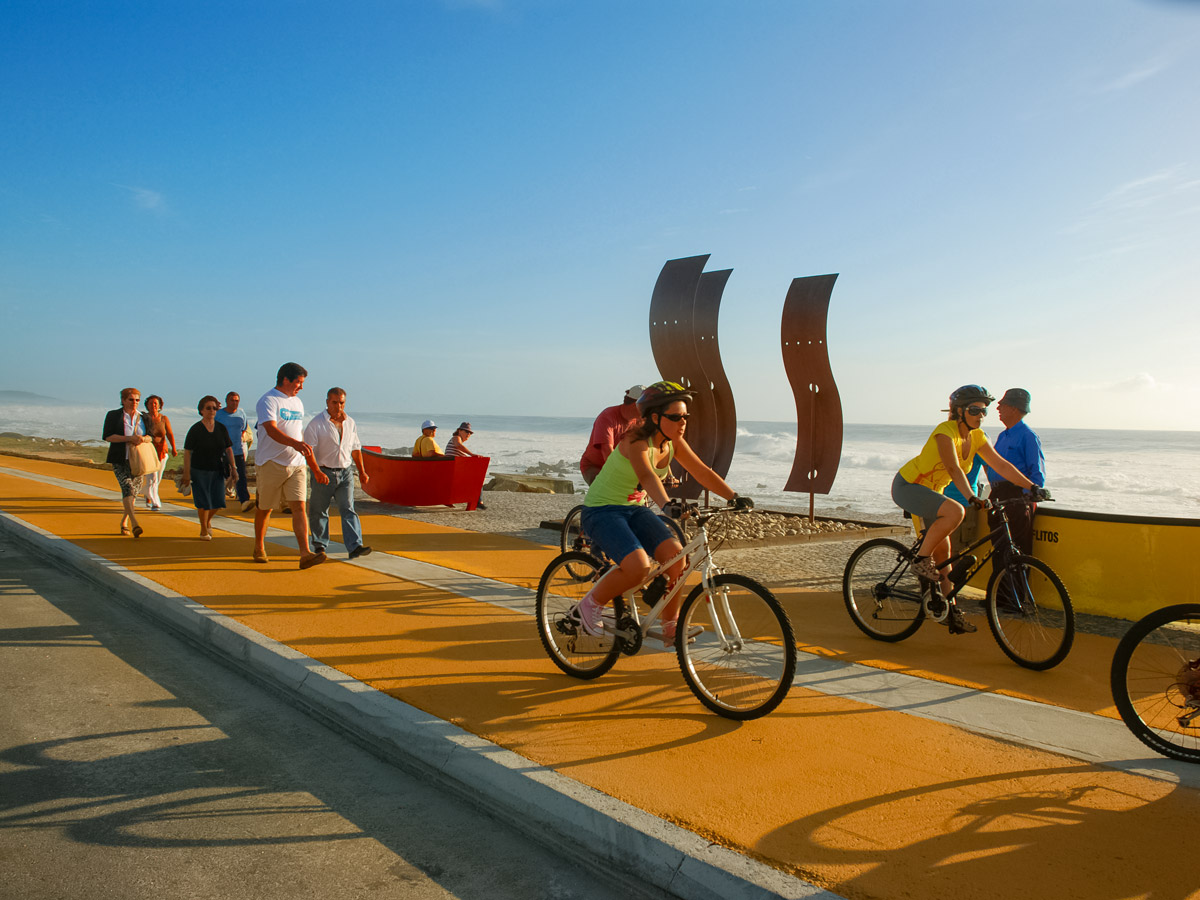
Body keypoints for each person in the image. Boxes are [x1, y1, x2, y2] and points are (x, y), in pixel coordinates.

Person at [574, 381, 753, 648]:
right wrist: (668, 505)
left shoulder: (674, 442)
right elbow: (647, 476)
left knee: (677, 561)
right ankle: (587, 607)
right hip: (601, 510)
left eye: (686, 417)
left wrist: (734, 497)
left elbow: (702, 471)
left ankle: (671, 627)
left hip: (633, 510)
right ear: (655, 418)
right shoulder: (636, 441)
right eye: (676, 417)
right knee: (638, 567)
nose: (683, 422)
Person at [891, 385, 1038, 634]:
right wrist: (971, 497)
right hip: (909, 485)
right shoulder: (944, 432)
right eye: (975, 410)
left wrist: (1032, 486)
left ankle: (951, 612)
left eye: (984, 411)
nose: (981, 415)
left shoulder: (979, 437)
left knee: (945, 557)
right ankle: (919, 561)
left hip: (933, 493)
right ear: (959, 411)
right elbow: (953, 469)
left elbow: (1001, 465)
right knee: (956, 511)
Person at [252, 362, 329, 568]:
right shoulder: (268, 400)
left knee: (299, 506)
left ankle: (305, 553)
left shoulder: (297, 402)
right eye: (298, 382)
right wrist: (295, 444)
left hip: (296, 463)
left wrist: (313, 464)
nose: (301, 387)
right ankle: (259, 546)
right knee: (265, 508)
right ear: (285, 379)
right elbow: (270, 429)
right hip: (271, 462)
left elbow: (298, 432)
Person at [984, 388, 1047, 583]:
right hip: (998, 494)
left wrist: (1027, 497)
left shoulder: (1027, 436)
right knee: (999, 546)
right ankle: (999, 597)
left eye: (1002, 405)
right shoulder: (1004, 436)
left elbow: (1036, 472)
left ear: (1014, 408)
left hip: (1017, 496)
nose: (998, 408)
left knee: (1017, 547)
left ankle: (1015, 598)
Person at [303, 387, 372, 559]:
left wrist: (361, 472)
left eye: (341, 403)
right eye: (335, 403)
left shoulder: (350, 422)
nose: (338, 407)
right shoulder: (316, 423)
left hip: (346, 472)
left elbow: (355, 448)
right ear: (327, 402)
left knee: (348, 508)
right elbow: (308, 451)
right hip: (324, 473)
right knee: (319, 511)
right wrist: (317, 471)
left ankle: (355, 546)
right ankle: (319, 546)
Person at [180, 396, 238, 540]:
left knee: (218, 501)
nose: (212, 410)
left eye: (214, 408)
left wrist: (233, 467)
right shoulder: (195, 429)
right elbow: (187, 451)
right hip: (199, 470)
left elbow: (228, 449)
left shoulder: (221, 428)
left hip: (217, 469)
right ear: (201, 410)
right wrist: (186, 472)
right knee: (203, 501)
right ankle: (203, 529)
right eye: (208, 408)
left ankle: (207, 521)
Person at [102, 388, 149, 538]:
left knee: (133, 492)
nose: (134, 403)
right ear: (123, 400)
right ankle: (135, 523)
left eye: (137, 400)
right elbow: (108, 436)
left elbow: (152, 436)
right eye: (131, 399)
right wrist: (128, 438)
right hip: (120, 459)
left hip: (138, 460)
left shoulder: (144, 417)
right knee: (127, 488)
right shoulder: (113, 415)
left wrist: (143, 439)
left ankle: (124, 521)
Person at [579, 385, 645, 485]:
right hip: (595, 466)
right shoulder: (607, 417)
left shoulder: (641, 421)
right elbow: (608, 453)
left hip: (624, 466)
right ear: (635, 405)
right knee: (607, 491)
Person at [215, 391, 255, 512]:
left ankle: (244, 501)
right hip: (222, 451)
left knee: (240, 476)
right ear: (227, 401)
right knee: (222, 475)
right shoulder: (219, 415)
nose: (234, 403)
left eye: (237, 400)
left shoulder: (241, 414)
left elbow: (243, 429)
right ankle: (217, 500)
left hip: (237, 450)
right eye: (232, 400)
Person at [142, 395, 176, 511]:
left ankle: (148, 494)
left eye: (156, 403)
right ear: (147, 405)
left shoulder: (164, 419)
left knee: (158, 478)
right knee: (153, 478)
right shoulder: (144, 418)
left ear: (160, 405)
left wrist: (174, 449)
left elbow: (169, 434)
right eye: (151, 403)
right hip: (149, 451)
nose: (153, 405)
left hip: (162, 451)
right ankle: (155, 502)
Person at [444, 421, 487, 510]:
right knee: (478, 479)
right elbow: (458, 445)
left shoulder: (457, 441)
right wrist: (472, 454)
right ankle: (478, 501)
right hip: (453, 471)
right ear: (459, 430)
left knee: (477, 476)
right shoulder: (456, 438)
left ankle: (477, 501)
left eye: (470, 433)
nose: (468, 434)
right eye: (466, 431)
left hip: (452, 470)